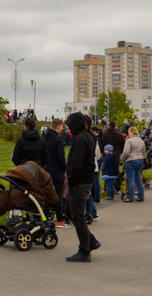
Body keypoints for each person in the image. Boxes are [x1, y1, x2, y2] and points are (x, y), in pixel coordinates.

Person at [64, 112, 100, 263]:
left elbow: (77, 163)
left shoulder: (80, 139)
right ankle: (90, 240)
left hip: (79, 182)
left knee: (78, 216)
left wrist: (71, 180)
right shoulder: (87, 136)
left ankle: (84, 250)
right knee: (68, 211)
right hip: (84, 180)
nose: (68, 128)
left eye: (69, 125)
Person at [43, 118, 69, 227]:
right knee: (58, 195)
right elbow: (61, 157)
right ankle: (59, 220)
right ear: (58, 126)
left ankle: (44, 219)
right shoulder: (58, 139)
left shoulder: (44, 138)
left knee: (46, 195)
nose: (63, 128)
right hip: (57, 170)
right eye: (62, 126)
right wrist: (65, 168)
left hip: (46, 169)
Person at [121, 126, 146, 202]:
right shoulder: (141, 140)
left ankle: (131, 197)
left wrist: (122, 158)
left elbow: (126, 152)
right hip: (140, 159)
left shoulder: (129, 141)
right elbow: (143, 151)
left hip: (131, 160)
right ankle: (141, 196)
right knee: (139, 179)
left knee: (131, 180)